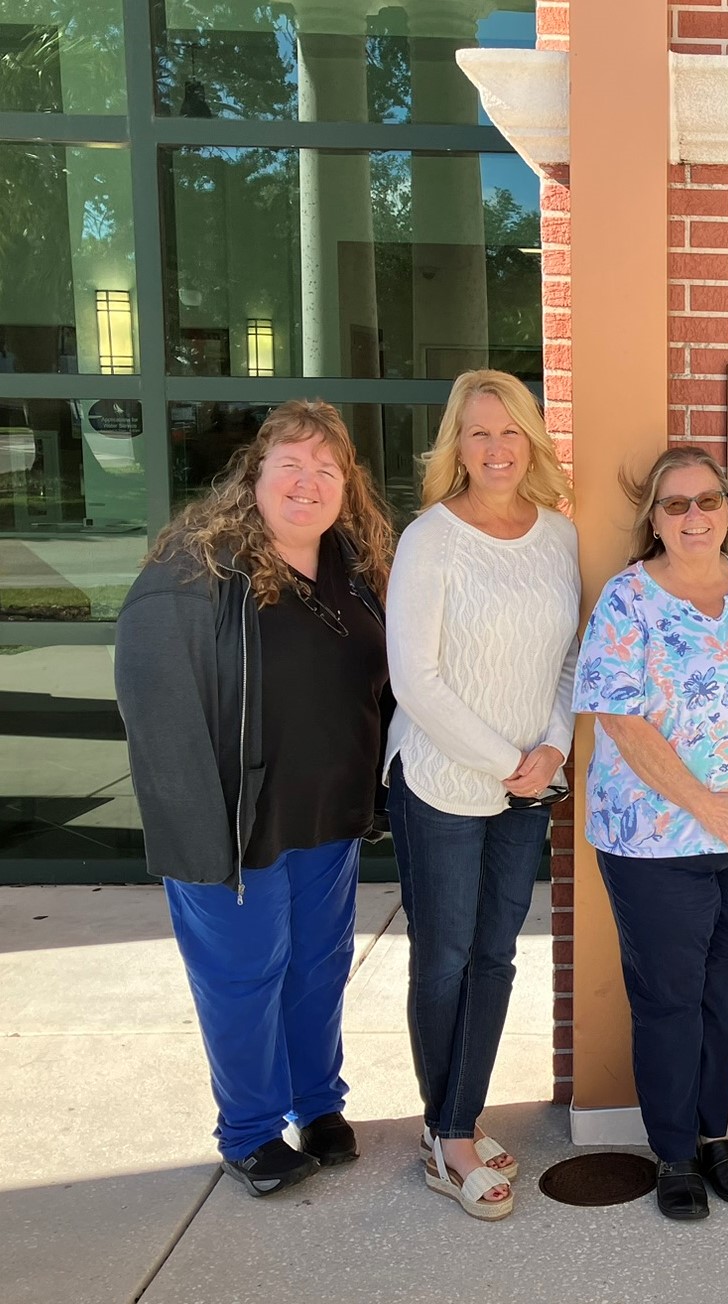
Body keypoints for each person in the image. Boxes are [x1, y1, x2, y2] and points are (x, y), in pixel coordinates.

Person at [114, 400, 393, 1197]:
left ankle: (317, 1105)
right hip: (233, 828)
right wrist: (195, 837)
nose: (307, 484)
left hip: (329, 817)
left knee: (317, 969)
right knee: (243, 979)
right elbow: (156, 710)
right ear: (255, 474)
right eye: (291, 466)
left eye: (326, 470)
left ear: (347, 487)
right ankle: (248, 1132)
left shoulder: (353, 567)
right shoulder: (195, 572)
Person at [574, 446, 728, 1222]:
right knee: (669, 998)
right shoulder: (627, 599)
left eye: (705, 501)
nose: (692, 516)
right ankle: (673, 1152)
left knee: (725, 992)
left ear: (727, 510)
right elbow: (618, 714)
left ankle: (715, 1136)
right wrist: (703, 803)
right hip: (653, 840)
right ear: (654, 517)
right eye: (674, 504)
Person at [385, 370, 579, 1222]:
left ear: (531, 438)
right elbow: (415, 679)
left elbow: (573, 659)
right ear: (454, 447)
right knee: (445, 956)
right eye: (477, 434)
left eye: (509, 432)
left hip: (529, 781)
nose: (495, 448)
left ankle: (453, 1120)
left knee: (497, 956)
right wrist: (510, 758)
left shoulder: (560, 537)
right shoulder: (430, 538)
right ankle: (449, 1133)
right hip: (440, 779)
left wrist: (554, 747)